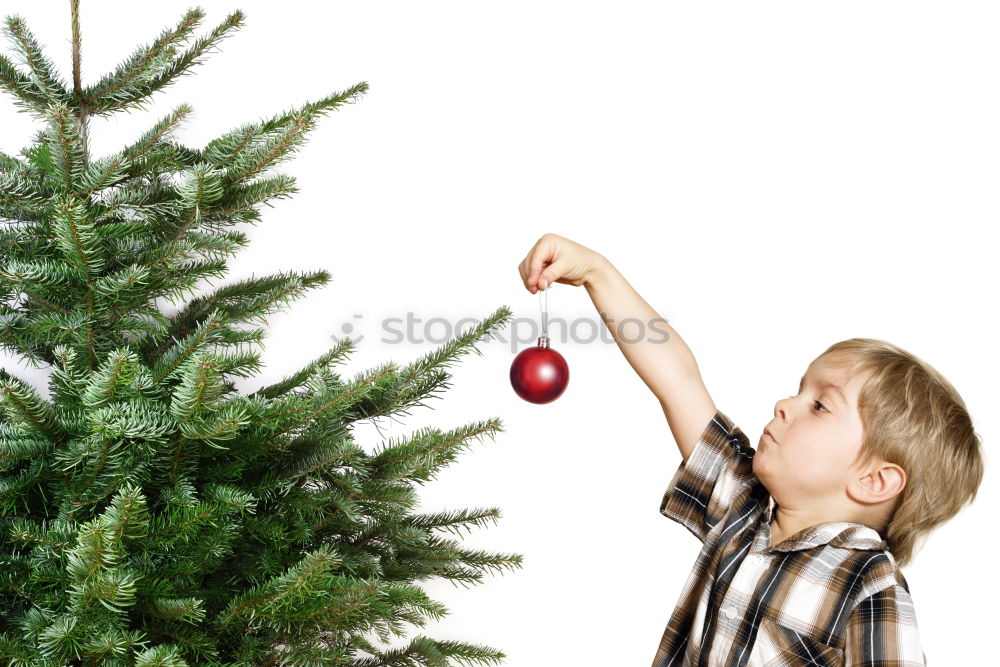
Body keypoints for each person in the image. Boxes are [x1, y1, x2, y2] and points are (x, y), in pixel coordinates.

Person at [517, 233, 983, 666]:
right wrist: (597, 273)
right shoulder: (742, 507)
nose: (784, 405)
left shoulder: (868, 586)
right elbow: (678, 379)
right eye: (799, 391)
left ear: (873, 480)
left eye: (819, 406)